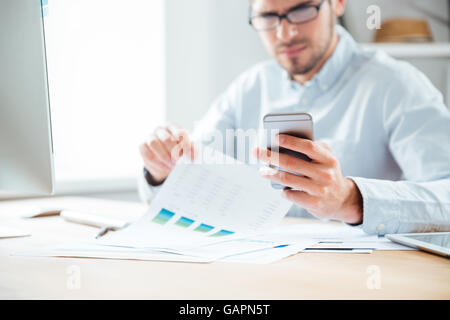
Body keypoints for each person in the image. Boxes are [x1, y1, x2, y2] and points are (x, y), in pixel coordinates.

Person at [138, 0, 450, 235]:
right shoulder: (249, 87)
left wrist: (351, 199)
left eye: (302, 10)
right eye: (268, 17)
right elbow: (189, 178)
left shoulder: (397, 85)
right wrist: (162, 170)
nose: (285, 32)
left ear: (337, 3)